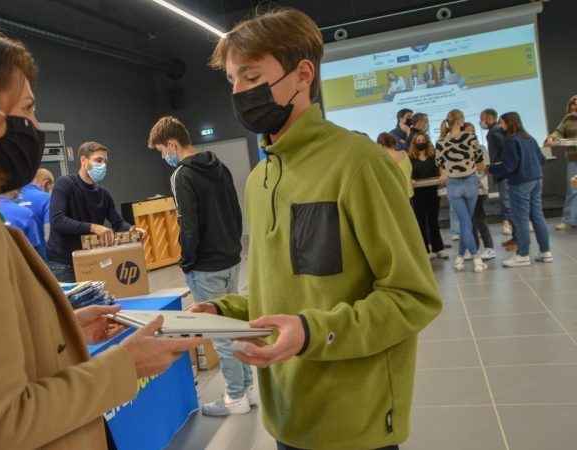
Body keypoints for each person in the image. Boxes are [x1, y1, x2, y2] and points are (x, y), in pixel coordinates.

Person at [0, 29, 201, 450]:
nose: (33, 126)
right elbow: (1, 425)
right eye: (26, 109)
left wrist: (58, 331)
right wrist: (126, 364)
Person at [192, 8, 442, 450]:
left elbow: (414, 297)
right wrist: (221, 312)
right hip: (286, 415)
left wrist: (312, 332)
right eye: (232, 80)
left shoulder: (359, 164)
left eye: (250, 76)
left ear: (302, 74)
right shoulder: (258, 180)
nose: (238, 92)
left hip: (353, 421)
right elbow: (282, 293)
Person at [148, 116, 254, 416]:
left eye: (160, 150)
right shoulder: (219, 166)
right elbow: (235, 211)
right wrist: (234, 246)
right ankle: (245, 389)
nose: (162, 156)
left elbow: (188, 225)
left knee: (220, 334)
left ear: (172, 144)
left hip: (205, 266)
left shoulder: (181, 175)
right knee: (235, 325)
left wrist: (186, 260)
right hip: (231, 258)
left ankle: (235, 397)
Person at [46, 142, 147, 282]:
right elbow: (57, 221)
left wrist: (132, 229)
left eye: (105, 161)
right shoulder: (65, 184)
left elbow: (117, 222)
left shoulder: (103, 193)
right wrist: (93, 227)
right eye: (98, 160)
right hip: (64, 265)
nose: (103, 165)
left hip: (92, 260)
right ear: (83, 161)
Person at [490, 112, 553, 266]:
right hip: (537, 179)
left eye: (501, 123)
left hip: (520, 182)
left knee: (521, 218)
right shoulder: (529, 138)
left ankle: (523, 254)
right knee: (537, 215)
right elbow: (542, 159)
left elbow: (509, 166)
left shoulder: (511, 141)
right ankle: (545, 252)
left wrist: (492, 170)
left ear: (509, 123)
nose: (499, 126)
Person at [436, 109, 488, 272]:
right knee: (467, 223)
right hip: (470, 183)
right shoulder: (470, 137)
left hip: (453, 184)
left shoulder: (441, 142)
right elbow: (480, 160)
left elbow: (439, 163)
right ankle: (476, 259)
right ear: (459, 121)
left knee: (465, 224)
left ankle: (459, 258)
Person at [409, 132, 447, 259]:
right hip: (417, 193)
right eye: (418, 140)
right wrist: (410, 180)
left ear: (427, 141)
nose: (421, 142)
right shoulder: (410, 159)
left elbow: (442, 169)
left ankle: (438, 248)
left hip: (432, 192)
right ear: (414, 143)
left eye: (423, 140)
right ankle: (425, 250)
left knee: (433, 221)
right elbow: (407, 174)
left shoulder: (433, 156)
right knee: (420, 222)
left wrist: (443, 175)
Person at [463, 122, 496, 260]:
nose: (471, 134)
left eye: (473, 131)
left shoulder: (481, 149)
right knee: (470, 222)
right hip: (465, 191)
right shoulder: (460, 151)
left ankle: (489, 247)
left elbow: (483, 169)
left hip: (479, 190)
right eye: (467, 132)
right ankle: (473, 248)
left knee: (480, 219)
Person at [545, 95, 577, 230]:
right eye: (573, 105)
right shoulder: (567, 119)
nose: (575, 107)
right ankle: (569, 220)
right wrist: (551, 138)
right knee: (572, 190)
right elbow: (557, 132)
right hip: (573, 160)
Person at [481, 108, 513, 237]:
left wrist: (495, 167)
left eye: (482, 119)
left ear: (488, 118)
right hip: (502, 169)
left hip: (503, 170)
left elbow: (505, 149)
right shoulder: (494, 131)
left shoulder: (495, 132)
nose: (481, 122)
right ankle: (508, 222)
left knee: (506, 197)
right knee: (507, 196)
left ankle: (507, 223)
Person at [0, 189, 42, 256]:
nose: (21, 191)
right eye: (19, 189)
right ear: (12, 188)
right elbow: (33, 250)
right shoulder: (24, 212)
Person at [20, 168, 54, 260]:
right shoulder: (46, 198)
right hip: (40, 258)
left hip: (18, 258)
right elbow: (49, 234)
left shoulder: (14, 198)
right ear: (46, 183)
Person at [377, 132, 413, 198]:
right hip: (409, 195)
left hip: (394, 198)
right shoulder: (405, 154)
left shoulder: (383, 160)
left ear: (380, 145)